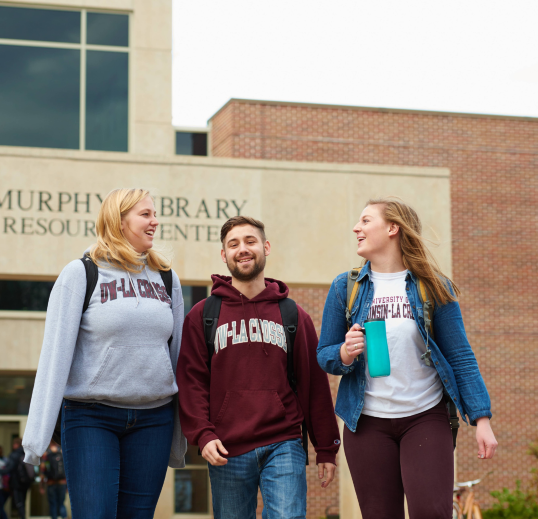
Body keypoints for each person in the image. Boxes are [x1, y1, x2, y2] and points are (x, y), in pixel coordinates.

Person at [317, 197, 498, 519]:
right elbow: (325, 355)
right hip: (367, 422)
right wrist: (345, 352)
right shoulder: (346, 287)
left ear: (392, 228)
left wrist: (481, 417)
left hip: (425, 417)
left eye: (365, 221)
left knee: (431, 512)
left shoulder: (432, 286)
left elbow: (461, 357)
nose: (356, 228)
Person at [21, 188, 187, 519]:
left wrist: (184, 430)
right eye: (145, 214)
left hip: (154, 419)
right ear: (119, 220)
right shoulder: (81, 273)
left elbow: (177, 355)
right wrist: (36, 440)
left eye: (155, 214)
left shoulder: (167, 278)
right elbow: (55, 356)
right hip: (91, 417)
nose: (155, 221)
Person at [177, 216, 340, 519]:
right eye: (233, 244)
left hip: (284, 441)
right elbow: (191, 382)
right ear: (223, 255)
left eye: (250, 241)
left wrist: (326, 447)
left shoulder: (292, 314)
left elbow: (313, 384)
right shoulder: (204, 314)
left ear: (265, 247)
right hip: (227, 446)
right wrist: (203, 434)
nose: (243, 249)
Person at [0, 437, 32, 519]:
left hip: (16, 483)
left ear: (16, 445)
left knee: (19, 503)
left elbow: (8, 469)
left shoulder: (14, 455)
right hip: (26, 483)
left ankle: (23, 517)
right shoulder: (26, 454)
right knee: (23, 503)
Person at [40, 441, 67, 519]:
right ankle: (64, 517)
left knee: (53, 504)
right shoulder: (62, 452)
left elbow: (43, 470)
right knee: (61, 503)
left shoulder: (46, 454)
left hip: (50, 482)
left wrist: (41, 485)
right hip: (62, 482)